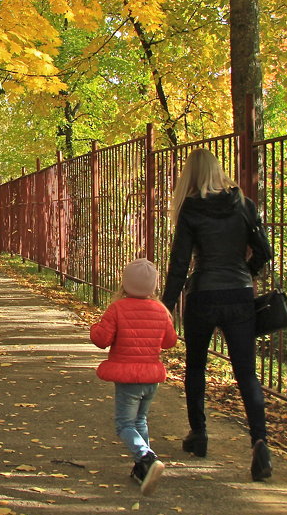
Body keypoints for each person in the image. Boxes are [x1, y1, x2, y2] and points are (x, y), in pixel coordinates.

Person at [162, 148, 273, 481]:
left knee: (195, 366)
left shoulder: (191, 209)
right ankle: (259, 443)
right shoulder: (244, 204)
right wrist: (247, 271)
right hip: (239, 295)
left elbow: (180, 263)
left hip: (204, 294)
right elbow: (265, 251)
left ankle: (199, 435)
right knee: (246, 374)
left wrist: (165, 306)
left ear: (191, 175)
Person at [91, 258, 178, 495]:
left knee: (124, 424)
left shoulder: (118, 309)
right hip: (151, 377)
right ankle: (143, 468)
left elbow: (101, 339)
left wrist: (95, 328)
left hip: (128, 378)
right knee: (140, 421)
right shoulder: (161, 310)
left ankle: (146, 456)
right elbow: (170, 341)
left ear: (125, 284)